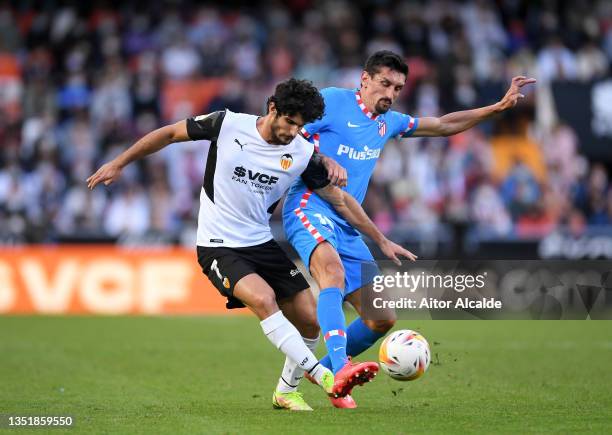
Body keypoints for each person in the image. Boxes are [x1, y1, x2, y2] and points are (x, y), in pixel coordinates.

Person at [87, 78, 414, 411]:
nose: (292, 131)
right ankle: (325, 376)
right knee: (263, 298)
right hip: (218, 244)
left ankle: (286, 392)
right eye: (289, 121)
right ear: (272, 108)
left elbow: (340, 201)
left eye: (300, 125)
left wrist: (380, 238)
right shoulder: (227, 124)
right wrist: (119, 163)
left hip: (260, 242)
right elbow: (170, 133)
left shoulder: (301, 152)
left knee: (310, 319)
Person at [283, 50, 536, 408]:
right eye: (384, 83)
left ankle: (322, 373)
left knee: (381, 318)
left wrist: (495, 108)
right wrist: (321, 157)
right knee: (331, 273)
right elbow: (287, 131)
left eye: (398, 88)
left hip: (348, 222)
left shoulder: (389, 123)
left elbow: (443, 124)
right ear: (365, 79)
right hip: (309, 205)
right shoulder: (331, 101)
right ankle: (340, 369)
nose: (390, 93)